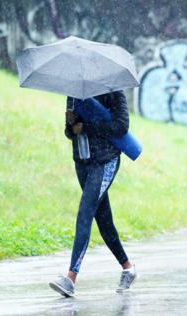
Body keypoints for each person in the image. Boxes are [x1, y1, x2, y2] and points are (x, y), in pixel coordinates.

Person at [49, 91, 137, 297]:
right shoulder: (74, 92)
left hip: (105, 161)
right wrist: (71, 124)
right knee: (103, 219)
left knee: (85, 213)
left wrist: (87, 126)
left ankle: (70, 278)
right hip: (82, 162)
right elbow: (70, 133)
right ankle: (128, 267)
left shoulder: (113, 89)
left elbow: (121, 126)